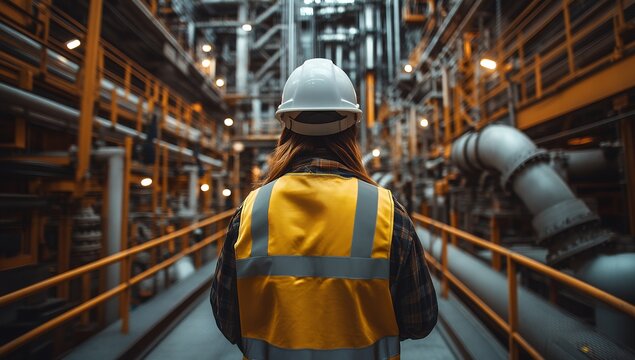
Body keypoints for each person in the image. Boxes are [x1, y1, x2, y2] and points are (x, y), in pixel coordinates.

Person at [211, 58, 437, 359]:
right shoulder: (387, 211)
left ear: (285, 127)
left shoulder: (252, 211)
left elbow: (227, 319)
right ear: (352, 128)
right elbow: (420, 320)